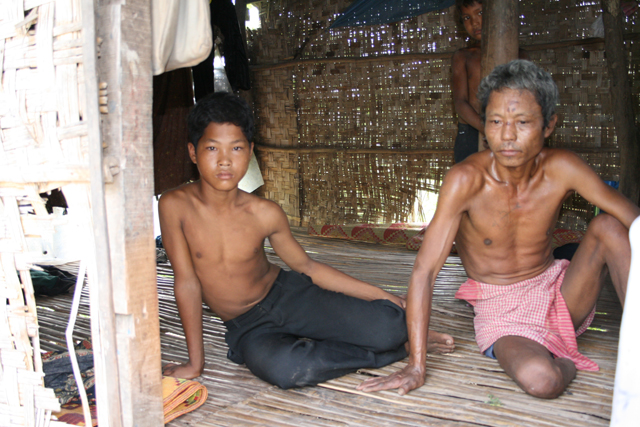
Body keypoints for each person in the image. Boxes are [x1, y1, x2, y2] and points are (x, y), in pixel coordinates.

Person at [358, 60, 640, 399]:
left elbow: (633, 218)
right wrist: (416, 366)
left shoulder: (563, 168)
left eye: (522, 122)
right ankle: (566, 360)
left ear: (549, 125)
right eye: (495, 121)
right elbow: (425, 271)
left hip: (558, 293)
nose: (507, 136)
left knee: (610, 226)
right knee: (543, 381)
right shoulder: (465, 181)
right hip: (502, 310)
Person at [158, 92, 454, 389]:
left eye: (236, 148)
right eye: (212, 148)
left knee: (389, 326)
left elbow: (307, 267)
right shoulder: (174, 207)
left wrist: (384, 296)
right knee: (289, 371)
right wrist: (195, 363)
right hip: (248, 326)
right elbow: (187, 282)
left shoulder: (264, 213)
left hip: (288, 297)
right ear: (193, 152)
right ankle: (395, 351)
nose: (225, 160)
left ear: (249, 152)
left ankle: (395, 337)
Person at [451, 0, 527, 163]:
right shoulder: (463, 56)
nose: (474, 22)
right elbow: (460, 103)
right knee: (470, 178)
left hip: (509, 131)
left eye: (480, 13)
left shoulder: (520, 55)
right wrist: (486, 127)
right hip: (471, 132)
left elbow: (526, 99)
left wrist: (503, 129)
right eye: (467, 17)